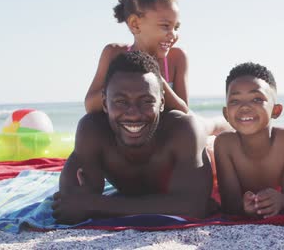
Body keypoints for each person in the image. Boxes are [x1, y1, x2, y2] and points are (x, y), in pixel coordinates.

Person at [52, 51, 213, 224]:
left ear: (162, 103)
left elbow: (194, 207)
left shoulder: (183, 130)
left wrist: (95, 203)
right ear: (105, 104)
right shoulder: (93, 131)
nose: (134, 114)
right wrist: (92, 204)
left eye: (146, 101)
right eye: (121, 102)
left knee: (211, 128)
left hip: (206, 142)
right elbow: (69, 208)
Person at [85, 0, 188, 114]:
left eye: (176, 27)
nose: (173, 34)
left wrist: (154, 75)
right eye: (166, 26)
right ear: (135, 24)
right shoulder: (113, 53)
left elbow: (184, 113)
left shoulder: (177, 57)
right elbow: (90, 105)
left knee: (205, 125)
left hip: (162, 132)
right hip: (128, 130)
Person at [214, 62, 284, 218]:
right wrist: (244, 208)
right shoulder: (224, 144)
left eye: (256, 99)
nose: (245, 107)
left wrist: (281, 201)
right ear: (226, 114)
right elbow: (229, 204)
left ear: (276, 110)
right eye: (235, 101)